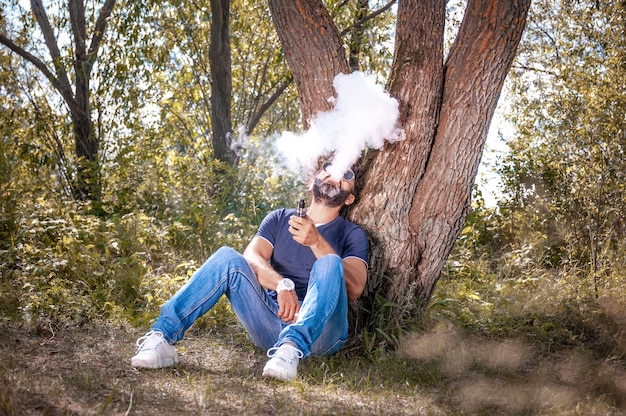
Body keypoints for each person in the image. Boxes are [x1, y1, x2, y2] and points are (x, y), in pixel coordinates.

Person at [130, 162, 369, 381]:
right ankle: (162, 338)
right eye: (329, 167)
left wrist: (317, 242)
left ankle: (291, 348)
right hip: (271, 321)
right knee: (227, 256)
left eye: (345, 175)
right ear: (313, 180)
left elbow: (355, 288)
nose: (335, 174)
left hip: (323, 331)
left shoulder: (352, 234)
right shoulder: (279, 219)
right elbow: (251, 259)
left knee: (329, 262)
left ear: (349, 199)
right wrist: (282, 285)